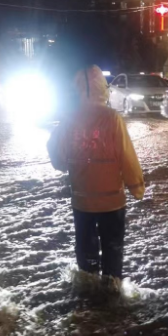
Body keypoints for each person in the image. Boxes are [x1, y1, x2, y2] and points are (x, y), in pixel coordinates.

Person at [47, 65, 145, 282]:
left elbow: (55, 150)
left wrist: (65, 165)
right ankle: (112, 296)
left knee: (86, 251)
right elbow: (126, 155)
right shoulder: (112, 118)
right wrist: (136, 186)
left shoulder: (71, 118)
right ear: (103, 87)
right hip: (112, 203)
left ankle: (88, 296)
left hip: (82, 203)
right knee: (113, 250)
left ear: (78, 89)